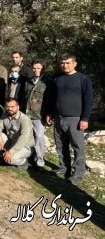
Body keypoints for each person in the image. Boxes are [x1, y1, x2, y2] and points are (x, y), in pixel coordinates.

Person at [47, 54, 93, 185]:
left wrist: (85, 118)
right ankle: (64, 168)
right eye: (62, 63)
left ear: (75, 63)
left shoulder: (83, 79)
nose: (65, 65)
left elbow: (88, 100)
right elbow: (52, 98)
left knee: (78, 147)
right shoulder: (58, 79)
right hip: (58, 118)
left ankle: (78, 174)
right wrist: (50, 113)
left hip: (75, 119)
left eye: (67, 63)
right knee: (60, 146)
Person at [0, 98, 35, 169]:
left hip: (25, 146)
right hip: (11, 142)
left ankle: (24, 162)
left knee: (11, 159)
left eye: (12, 107)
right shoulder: (5, 115)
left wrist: (11, 151)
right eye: (8, 106)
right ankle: (0, 157)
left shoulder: (25, 120)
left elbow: (23, 139)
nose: (9, 109)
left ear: (18, 107)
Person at [21, 60, 52, 169]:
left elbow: (50, 99)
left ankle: (40, 161)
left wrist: (49, 113)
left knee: (39, 137)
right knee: (27, 136)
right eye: (34, 68)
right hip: (27, 114)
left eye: (38, 68)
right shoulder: (28, 81)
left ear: (43, 68)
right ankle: (28, 157)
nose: (36, 70)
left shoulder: (48, 82)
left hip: (39, 115)